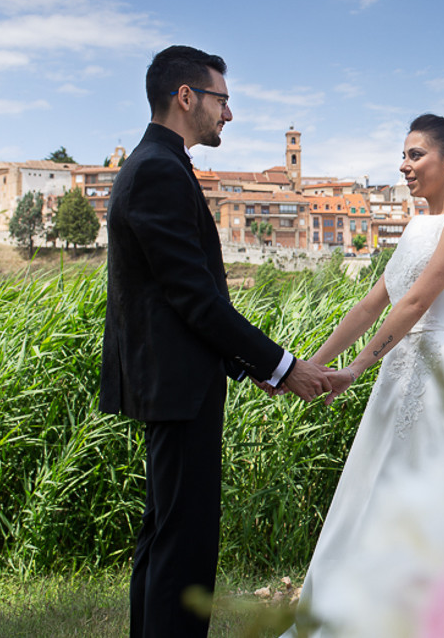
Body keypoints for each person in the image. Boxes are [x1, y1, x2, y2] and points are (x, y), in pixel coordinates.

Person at [99, 45, 333, 637]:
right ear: (186, 97)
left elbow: (182, 297)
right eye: (222, 100)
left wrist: (242, 361)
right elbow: (195, 298)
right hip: (176, 385)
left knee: (166, 534)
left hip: (172, 379)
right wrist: (283, 366)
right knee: (186, 545)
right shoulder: (158, 169)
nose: (228, 114)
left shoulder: (159, 163)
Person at [282, 114, 444, 636]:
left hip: (443, 369)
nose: (404, 165)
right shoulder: (415, 226)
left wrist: (358, 368)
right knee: (380, 486)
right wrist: (315, 364)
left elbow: (415, 303)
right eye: (404, 154)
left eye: (416, 155)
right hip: (401, 374)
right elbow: (372, 304)